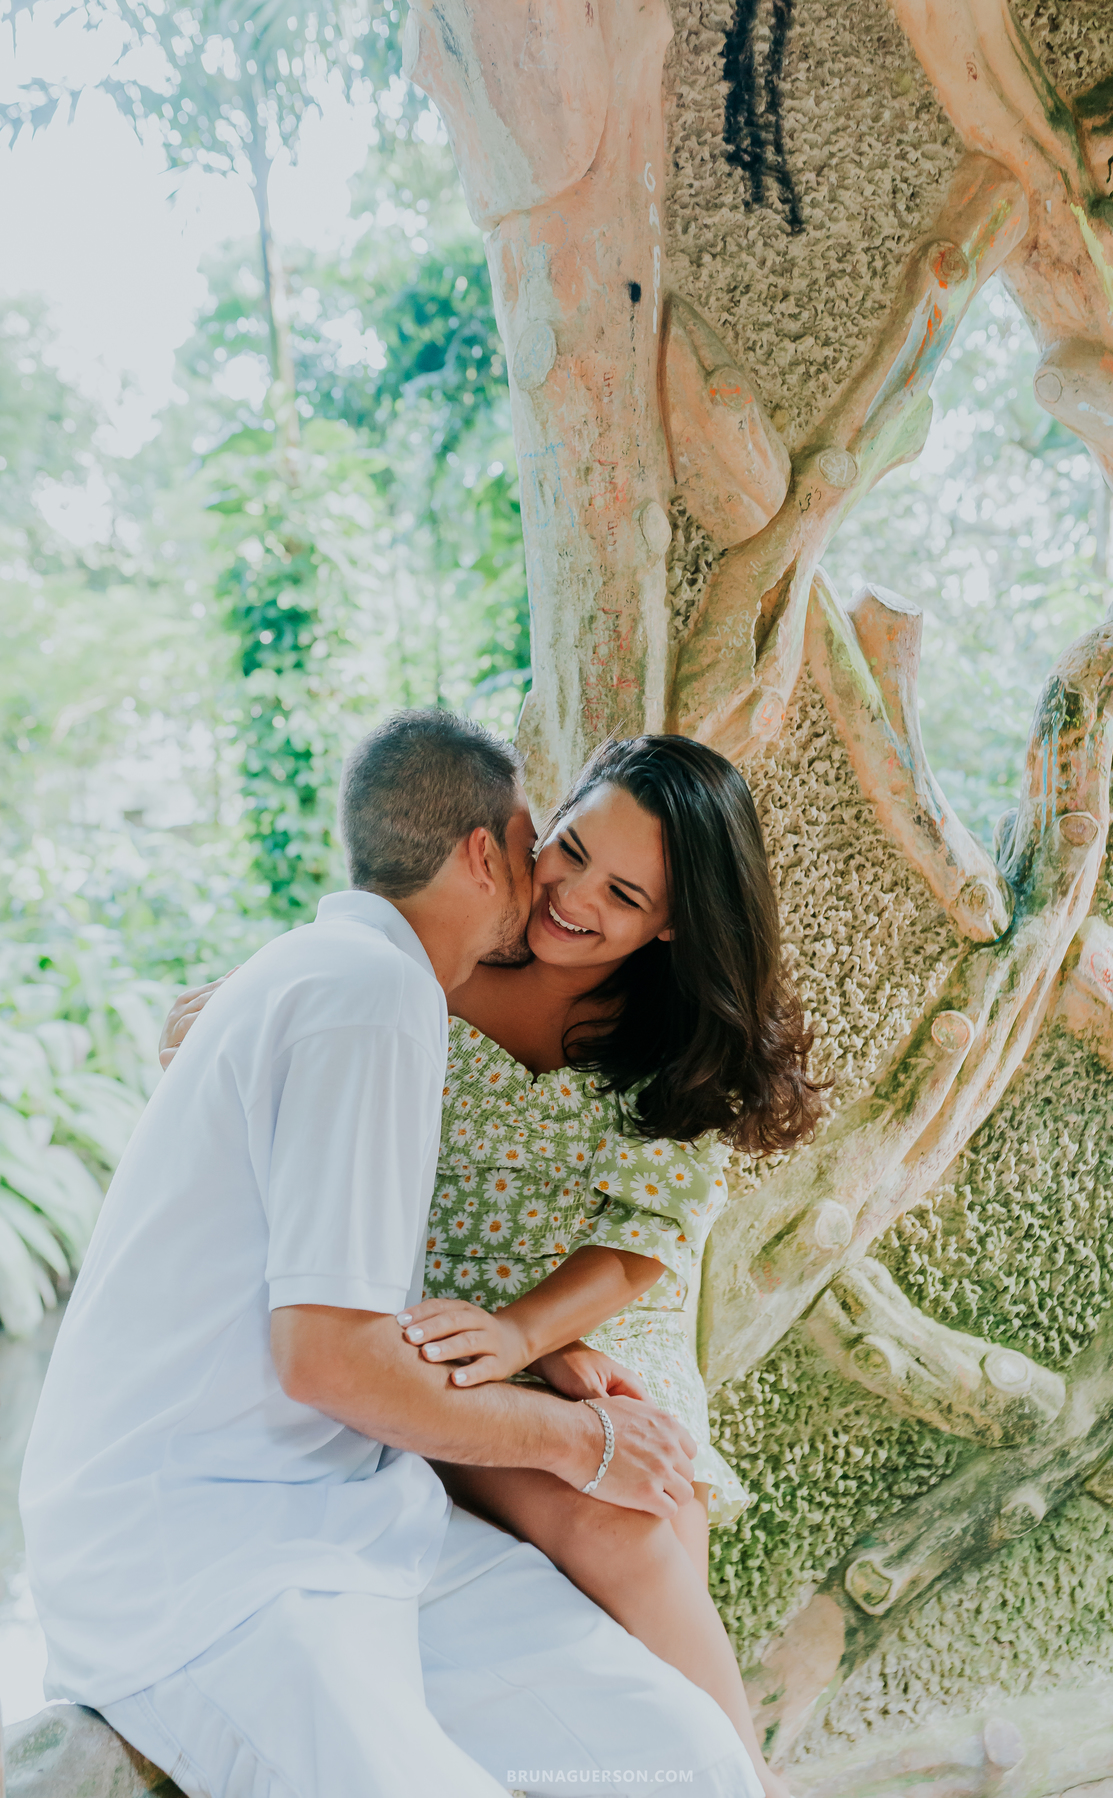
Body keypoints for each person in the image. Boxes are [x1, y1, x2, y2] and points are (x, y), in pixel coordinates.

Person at [21, 710, 764, 1798]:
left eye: (624, 896)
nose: (565, 891)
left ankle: (749, 1764)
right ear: (491, 850)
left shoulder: (436, 992)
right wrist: (567, 1430)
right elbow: (328, 1352)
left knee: (663, 1600)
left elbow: (635, 1238)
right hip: (277, 1471)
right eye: (553, 846)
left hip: (480, 1348)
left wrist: (537, 1343)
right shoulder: (378, 986)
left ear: (667, 926)